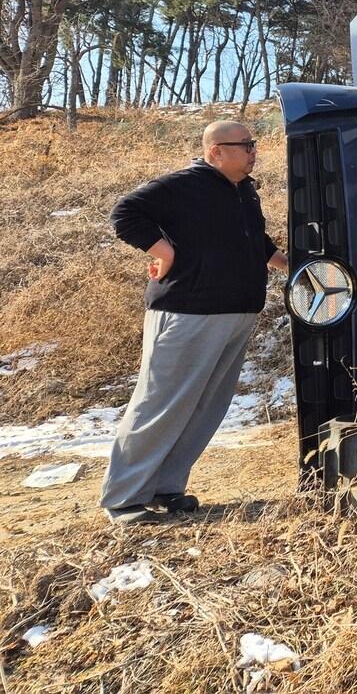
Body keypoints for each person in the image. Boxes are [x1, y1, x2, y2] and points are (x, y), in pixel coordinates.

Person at [101, 120, 288, 524]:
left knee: (205, 406)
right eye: (247, 145)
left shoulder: (243, 191)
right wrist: (165, 253)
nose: (255, 151)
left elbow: (255, 240)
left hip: (236, 312)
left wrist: (287, 264)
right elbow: (125, 213)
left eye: (253, 144)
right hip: (189, 311)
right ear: (217, 150)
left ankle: (166, 488)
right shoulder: (185, 184)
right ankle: (125, 498)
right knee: (161, 402)